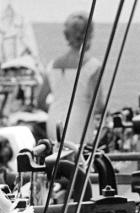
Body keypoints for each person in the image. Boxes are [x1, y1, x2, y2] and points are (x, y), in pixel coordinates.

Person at [38, 12, 103, 144]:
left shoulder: (52, 65)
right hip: (79, 125)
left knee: (56, 160)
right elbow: (99, 105)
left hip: (53, 124)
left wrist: (58, 107)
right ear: (89, 35)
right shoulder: (92, 66)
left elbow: (40, 101)